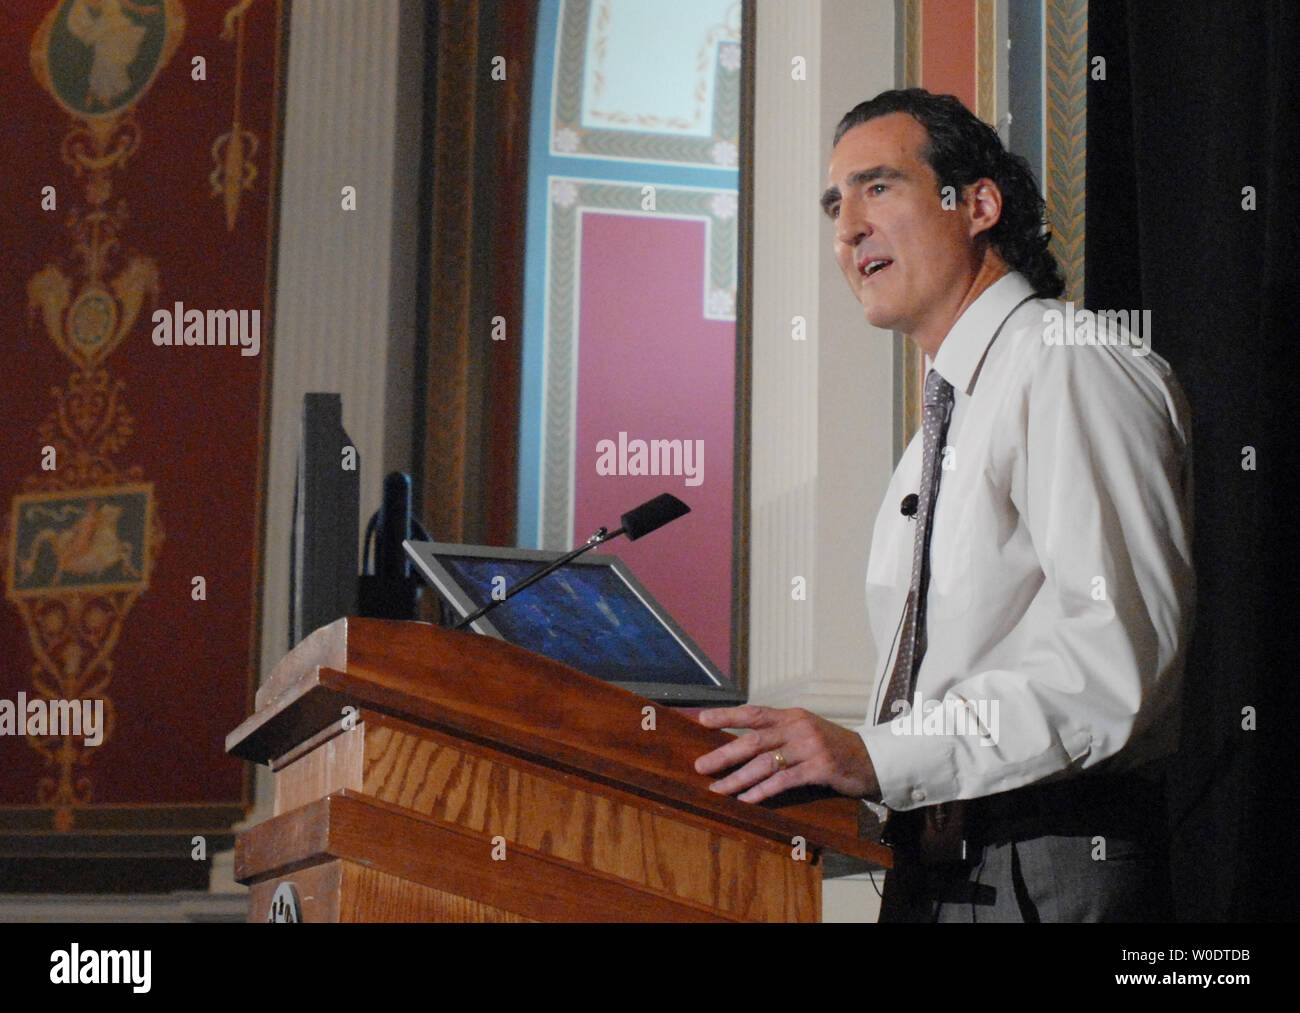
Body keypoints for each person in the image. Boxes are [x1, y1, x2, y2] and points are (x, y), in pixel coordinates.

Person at [693, 89, 1194, 922]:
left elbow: (1113, 666)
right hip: (944, 867)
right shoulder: (950, 411)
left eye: (878, 187)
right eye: (834, 203)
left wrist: (876, 755)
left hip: (1045, 867)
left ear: (979, 205)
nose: (847, 227)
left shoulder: (1067, 366)